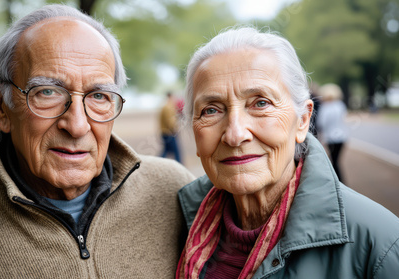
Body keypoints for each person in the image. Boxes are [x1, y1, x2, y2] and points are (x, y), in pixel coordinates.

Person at [0, 5, 195, 278]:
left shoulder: (174, 193)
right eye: (47, 93)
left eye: (98, 96)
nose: (77, 126)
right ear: (1, 106)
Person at [176, 27, 399, 278]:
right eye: (211, 110)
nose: (235, 134)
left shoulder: (379, 244)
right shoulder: (178, 223)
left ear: (302, 120)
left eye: (261, 103)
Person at [316, 83, 348, 183]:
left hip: (331, 138)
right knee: (336, 160)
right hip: (342, 137)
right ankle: (340, 181)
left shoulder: (326, 107)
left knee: (334, 161)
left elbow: (321, 122)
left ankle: (339, 182)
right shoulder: (340, 105)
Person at [159, 91, 182, 163]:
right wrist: (176, 129)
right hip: (169, 133)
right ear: (170, 96)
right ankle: (180, 166)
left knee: (166, 151)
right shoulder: (169, 107)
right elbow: (170, 122)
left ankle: (158, 162)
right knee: (176, 152)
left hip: (164, 132)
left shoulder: (164, 106)